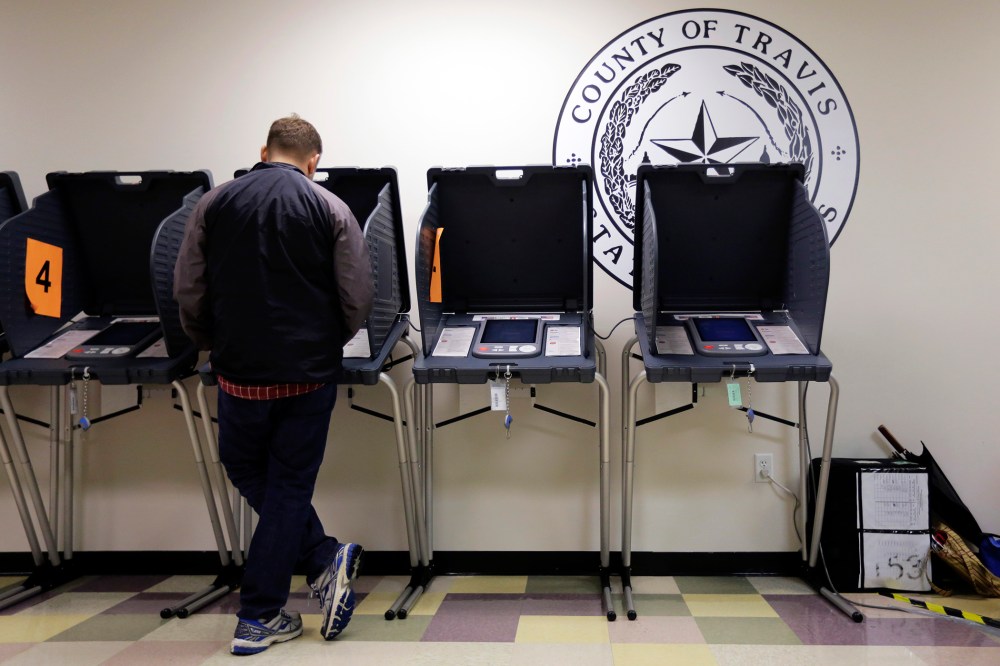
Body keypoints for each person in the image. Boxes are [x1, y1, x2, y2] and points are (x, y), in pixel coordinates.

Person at [174, 115, 375, 655]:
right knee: (288, 484)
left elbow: (189, 288)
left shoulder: (214, 203)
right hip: (307, 374)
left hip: (238, 374)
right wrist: (330, 341)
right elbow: (357, 295)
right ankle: (269, 605)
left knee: (243, 466)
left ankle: (315, 565)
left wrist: (209, 343)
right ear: (314, 163)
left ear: (263, 151)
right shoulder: (330, 206)